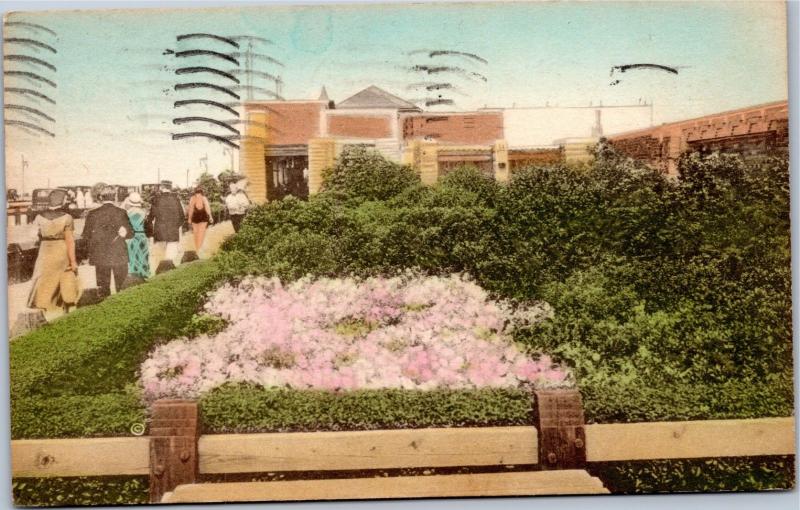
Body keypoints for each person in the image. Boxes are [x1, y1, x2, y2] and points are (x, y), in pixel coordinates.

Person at [27, 189, 79, 319]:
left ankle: (45, 309)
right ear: (62, 201)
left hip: (45, 249)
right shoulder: (67, 218)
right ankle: (63, 309)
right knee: (63, 278)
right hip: (61, 249)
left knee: (44, 278)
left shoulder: (39, 217)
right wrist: (73, 261)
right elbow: (70, 241)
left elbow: (33, 237)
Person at [82, 186, 134, 298]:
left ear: (101, 197)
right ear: (114, 196)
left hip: (100, 254)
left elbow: (86, 236)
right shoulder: (121, 212)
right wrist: (124, 233)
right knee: (122, 287)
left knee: (103, 289)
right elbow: (131, 234)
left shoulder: (92, 214)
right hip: (118, 252)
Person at [146, 180, 185, 267]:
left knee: (160, 259)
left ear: (162, 187)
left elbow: (150, 217)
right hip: (173, 233)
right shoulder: (176, 200)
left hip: (160, 232)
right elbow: (182, 217)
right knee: (170, 260)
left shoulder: (156, 200)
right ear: (170, 188)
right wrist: (175, 226)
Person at [123, 192, 150, 279]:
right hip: (142, 236)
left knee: (133, 257)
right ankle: (143, 275)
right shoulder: (144, 213)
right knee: (143, 257)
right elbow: (148, 227)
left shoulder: (126, 213)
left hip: (132, 237)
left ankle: (134, 276)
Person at [187, 186, 214, 252]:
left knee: (196, 233)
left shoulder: (192, 198)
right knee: (201, 232)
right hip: (203, 217)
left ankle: (197, 248)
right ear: (202, 192)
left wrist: (189, 219)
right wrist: (210, 216)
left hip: (195, 218)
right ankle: (199, 248)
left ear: (195, 192)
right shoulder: (204, 198)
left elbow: (191, 209)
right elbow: (207, 208)